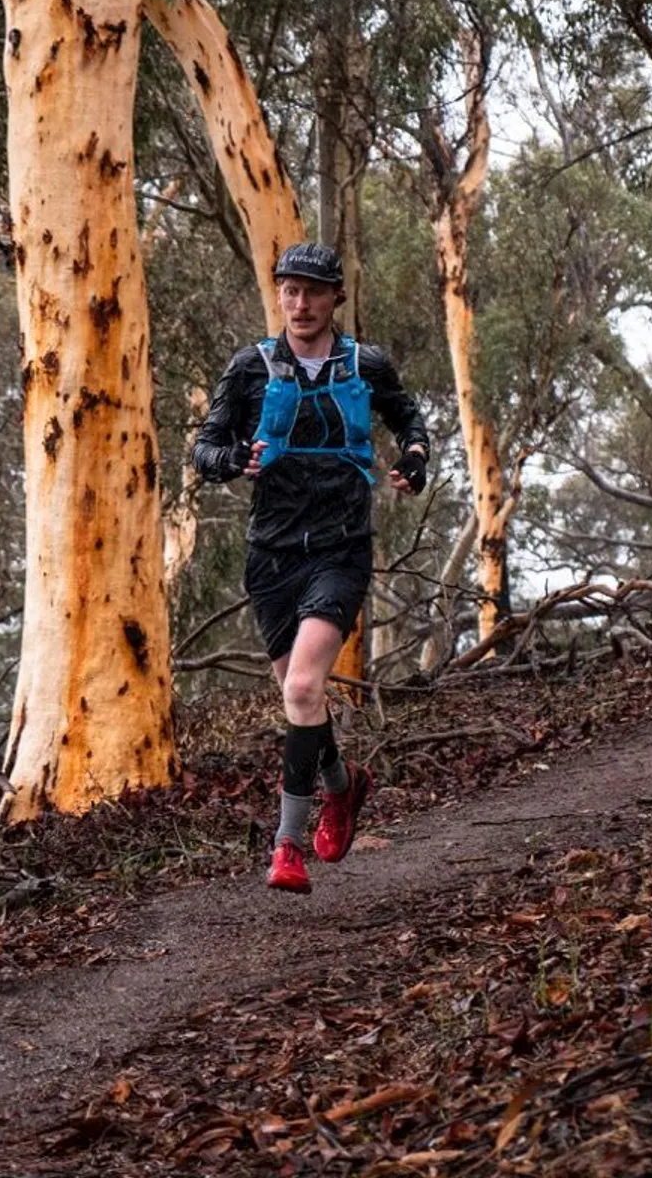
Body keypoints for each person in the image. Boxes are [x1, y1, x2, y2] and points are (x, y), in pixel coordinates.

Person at [192, 243, 429, 894]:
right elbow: (204, 449)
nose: (300, 304)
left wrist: (413, 460)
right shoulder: (251, 367)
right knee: (303, 700)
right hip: (270, 555)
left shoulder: (366, 364)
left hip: (340, 546)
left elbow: (410, 422)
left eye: (313, 292)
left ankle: (286, 847)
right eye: (289, 292)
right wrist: (235, 458)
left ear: (334, 299)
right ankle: (343, 788)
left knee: (301, 689)